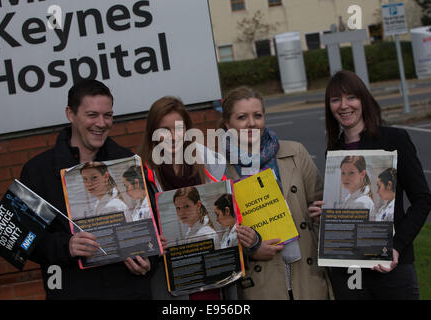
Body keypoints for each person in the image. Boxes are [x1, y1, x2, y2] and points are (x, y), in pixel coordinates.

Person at [19, 79, 152, 299]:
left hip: (130, 291)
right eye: (92, 115)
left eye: (107, 115)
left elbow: (151, 225)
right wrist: (66, 246)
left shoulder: (128, 162)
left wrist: (150, 261)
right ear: (70, 114)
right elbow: (23, 238)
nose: (101, 123)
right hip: (72, 291)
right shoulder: (37, 171)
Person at [315, 69, 431, 299]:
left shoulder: (394, 139)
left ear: (363, 100)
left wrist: (397, 247)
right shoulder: (333, 151)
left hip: (391, 266)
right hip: (348, 270)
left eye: (351, 97)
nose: (344, 105)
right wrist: (325, 214)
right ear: (329, 107)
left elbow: (422, 199)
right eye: (336, 99)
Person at [140, 96, 259, 300]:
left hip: (218, 284)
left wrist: (252, 239)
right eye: (164, 130)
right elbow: (135, 241)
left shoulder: (211, 165)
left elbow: (238, 221)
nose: (173, 136)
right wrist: (151, 246)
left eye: (178, 128)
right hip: (174, 289)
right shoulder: (141, 176)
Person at [219, 86, 333, 300]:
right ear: (227, 124)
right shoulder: (220, 170)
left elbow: (321, 206)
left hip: (308, 277)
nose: (252, 123)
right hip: (261, 284)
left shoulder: (295, 153)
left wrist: (325, 212)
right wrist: (251, 250)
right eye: (242, 117)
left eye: (258, 115)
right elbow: (218, 238)